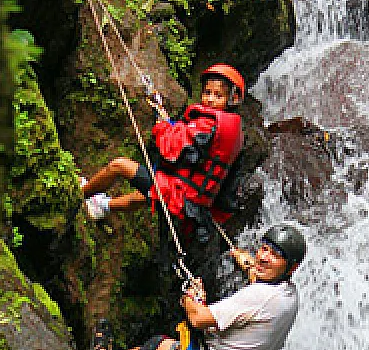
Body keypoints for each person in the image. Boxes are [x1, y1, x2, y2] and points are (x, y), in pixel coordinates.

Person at [92, 224, 307, 350]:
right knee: (158, 345)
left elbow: (197, 319)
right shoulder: (288, 295)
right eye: (264, 249)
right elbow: (259, 284)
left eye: (275, 255)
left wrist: (191, 296)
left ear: (291, 267)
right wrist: (248, 264)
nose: (263, 257)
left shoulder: (259, 296)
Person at [80, 65, 245, 235]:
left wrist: (161, 124)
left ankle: (78, 195)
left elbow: (170, 148)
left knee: (119, 166)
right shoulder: (232, 133)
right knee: (147, 193)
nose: (210, 99)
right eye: (207, 93)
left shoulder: (210, 123)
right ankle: (102, 207)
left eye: (218, 96)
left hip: (177, 197)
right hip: (192, 206)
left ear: (232, 99)